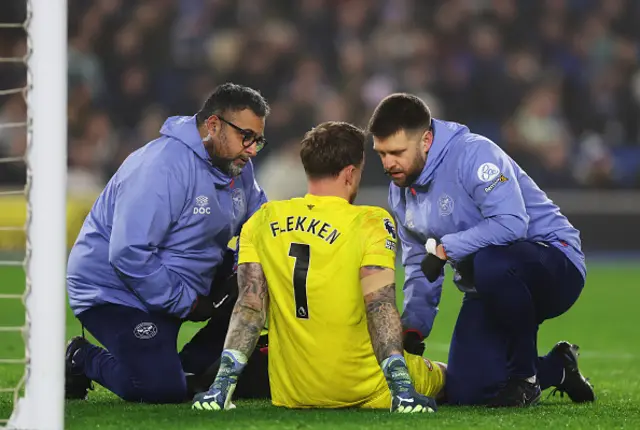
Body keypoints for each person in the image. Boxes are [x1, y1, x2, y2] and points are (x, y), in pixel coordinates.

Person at [191, 121, 445, 413]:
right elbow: (380, 304)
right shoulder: (370, 221)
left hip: (294, 392)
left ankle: (220, 389)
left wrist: (220, 389)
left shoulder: (262, 219)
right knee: (450, 375)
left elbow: (250, 306)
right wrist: (401, 388)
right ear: (351, 172)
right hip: (366, 387)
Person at [367, 93, 595, 407]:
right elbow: (420, 261)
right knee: (467, 391)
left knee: (490, 262)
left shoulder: (474, 154)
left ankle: (524, 379)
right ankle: (558, 368)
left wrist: (447, 248)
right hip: (490, 283)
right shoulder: (401, 191)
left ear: (426, 140)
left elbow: (512, 223)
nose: (387, 163)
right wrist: (415, 327)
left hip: (554, 262)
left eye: (396, 152)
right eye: (381, 153)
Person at [64, 83, 270, 404]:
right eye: (247, 137)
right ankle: (81, 357)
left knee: (262, 271)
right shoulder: (161, 166)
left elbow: (259, 224)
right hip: (116, 293)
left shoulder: (238, 167)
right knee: (158, 389)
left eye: (258, 140)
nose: (253, 149)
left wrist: (246, 266)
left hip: (186, 280)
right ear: (213, 125)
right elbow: (128, 254)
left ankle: (188, 366)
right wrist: (187, 302)